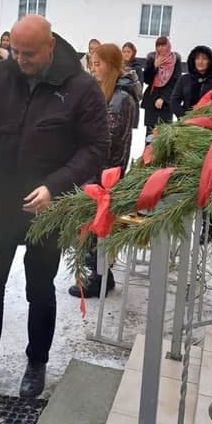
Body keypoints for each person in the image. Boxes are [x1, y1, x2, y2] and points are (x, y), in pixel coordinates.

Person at [0, 15, 108, 400]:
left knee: (40, 289)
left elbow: (95, 149)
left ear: (51, 46)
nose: (20, 59)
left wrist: (55, 186)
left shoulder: (81, 88)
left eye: (29, 53)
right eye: (15, 51)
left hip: (45, 210)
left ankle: (37, 363)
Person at [69, 43, 139, 298]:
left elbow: (107, 141)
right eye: (91, 64)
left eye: (97, 64)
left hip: (103, 175)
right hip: (100, 172)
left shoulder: (120, 98)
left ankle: (97, 279)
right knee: (94, 229)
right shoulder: (111, 92)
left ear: (111, 65)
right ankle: (100, 276)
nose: (93, 69)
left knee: (96, 227)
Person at [141, 36, 181, 135]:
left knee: (163, 134)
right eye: (158, 45)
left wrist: (163, 98)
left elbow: (175, 82)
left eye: (163, 45)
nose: (160, 48)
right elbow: (146, 80)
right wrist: (154, 66)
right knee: (150, 135)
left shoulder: (175, 60)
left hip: (166, 102)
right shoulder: (152, 58)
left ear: (168, 46)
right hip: (151, 99)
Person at [170, 45, 212, 118]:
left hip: (207, 123)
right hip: (186, 123)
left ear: (210, 61)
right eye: (197, 58)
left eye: (204, 59)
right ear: (193, 60)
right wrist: (184, 117)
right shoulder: (184, 79)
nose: (200, 61)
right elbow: (174, 101)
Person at [122, 41, 144, 127]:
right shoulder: (118, 66)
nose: (126, 54)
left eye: (128, 52)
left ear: (133, 53)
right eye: (124, 51)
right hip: (118, 105)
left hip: (131, 104)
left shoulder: (137, 68)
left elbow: (139, 89)